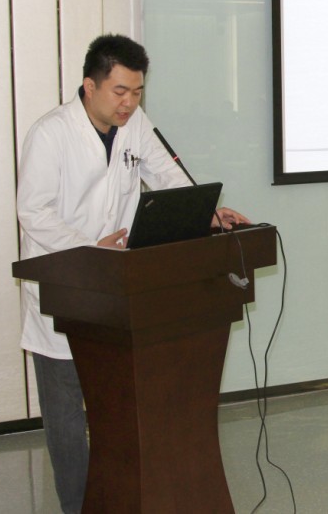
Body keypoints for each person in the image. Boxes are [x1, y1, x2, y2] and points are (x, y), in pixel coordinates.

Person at [16, 34, 247, 513]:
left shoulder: (135, 125)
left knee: (121, 408)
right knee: (67, 419)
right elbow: (32, 211)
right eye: (120, 91)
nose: (129, 103)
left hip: (120, 292)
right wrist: (87, 248)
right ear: (90, 86)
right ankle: (77, 507)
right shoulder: (50, 133)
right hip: (63, 289)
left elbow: (167, 177)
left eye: (137, 92)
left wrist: (207, 214)